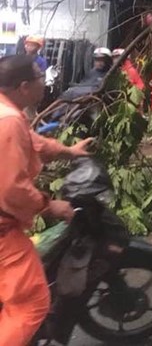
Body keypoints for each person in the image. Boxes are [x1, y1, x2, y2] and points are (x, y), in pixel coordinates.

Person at [0, 54, 94, 345]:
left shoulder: (6, 111)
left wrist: (69, 150)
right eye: (41, 78)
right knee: (31, 302)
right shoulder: (10, 121)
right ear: (24, 86)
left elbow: (32, 142)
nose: (46, 82)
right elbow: (12, 188)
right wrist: (49, 205)